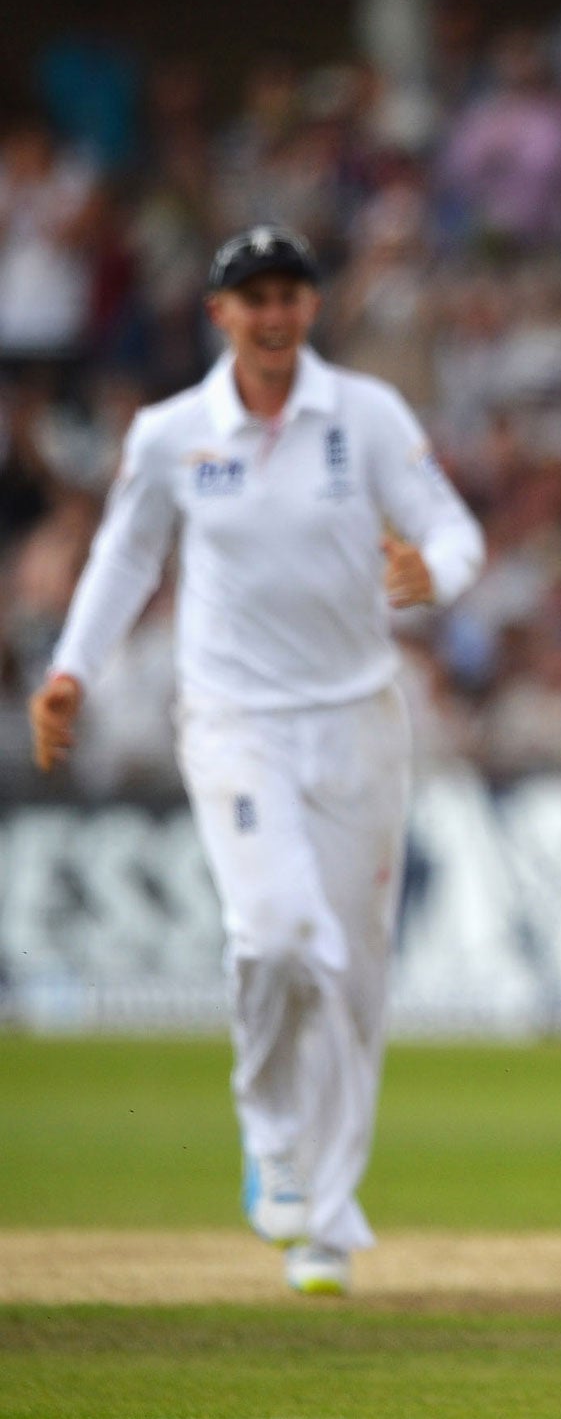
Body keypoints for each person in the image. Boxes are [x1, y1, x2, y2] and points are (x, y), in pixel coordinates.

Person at [27, 225, 485, 1296]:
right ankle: (271, 1144)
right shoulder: (172, 433)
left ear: (310, 308)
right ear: (219, 313)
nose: (274, 315)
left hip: (360, 719)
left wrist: (435, 574)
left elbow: (453, 532)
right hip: (233, 718)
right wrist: (70, 673)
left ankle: (325, 1216)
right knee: (275, 934)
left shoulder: (363, 416)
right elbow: (125, 555)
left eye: (289, 295)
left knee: (354, 973)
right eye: (253, 298)